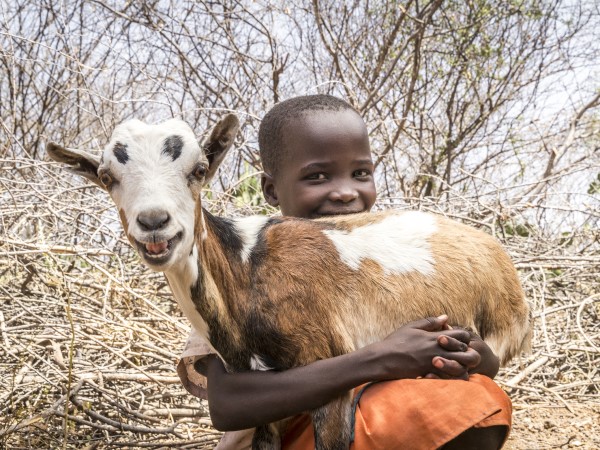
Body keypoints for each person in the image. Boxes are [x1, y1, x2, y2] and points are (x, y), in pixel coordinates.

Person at [177, 94, 511, 449]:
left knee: (476, 400)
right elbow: (227, 405)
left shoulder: (385, 265)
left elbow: (465, 361)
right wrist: (381, 358)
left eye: (361, 174)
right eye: (317, 176)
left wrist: (475, 356)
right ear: (272, 190)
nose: (345, 192)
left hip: (371, 429)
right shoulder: (241, 273)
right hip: (290, 440)